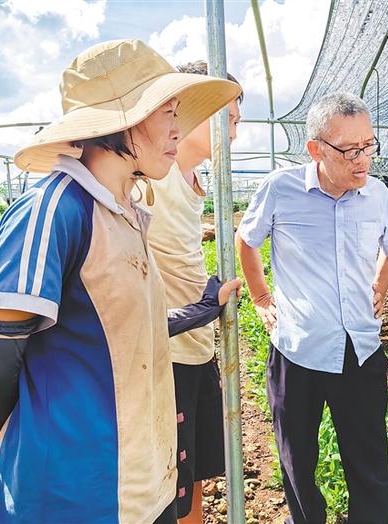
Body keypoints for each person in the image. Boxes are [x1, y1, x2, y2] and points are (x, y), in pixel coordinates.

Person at [0, 39, 241, 523]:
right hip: (72, 496)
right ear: (119, 121)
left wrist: (201, 308)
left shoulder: (126, 214)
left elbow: (120, 331)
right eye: (166, 112)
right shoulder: (55, 210)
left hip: (141, 485)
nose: (178, 127)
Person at [236, 92, 388, 524]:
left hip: (360, 349)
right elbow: (247, 241)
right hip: (299, 348)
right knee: (298, 461)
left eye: (369, 145)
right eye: (350, 150)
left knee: (368, 463)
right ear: (316, 149)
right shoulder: (280, 188)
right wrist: (261, 298)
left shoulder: (378, 194)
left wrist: (380, 286)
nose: (362, 159)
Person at [146, 60, 243, 523]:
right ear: (196, 112)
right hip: (165, 354)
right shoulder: (153, 181)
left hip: (196, 345)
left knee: (196, 476)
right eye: (230, 121)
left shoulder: (188, 178)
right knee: (171, 484)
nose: (236, 135)